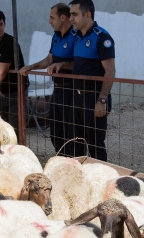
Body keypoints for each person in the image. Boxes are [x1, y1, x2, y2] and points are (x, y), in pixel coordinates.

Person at [49, 0, 115, 161]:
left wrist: (102, 100)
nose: (71, 19)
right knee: (74, 144)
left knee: (95, 145)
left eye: (74, 14)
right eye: (70, 14)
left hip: (93, 97)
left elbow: (110, 70)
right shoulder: (77, 37)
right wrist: (62, 64)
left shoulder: (102, 37)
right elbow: (79, 65)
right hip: (76, 98)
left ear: (87, 14)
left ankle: (100, 181)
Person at [19, 3, 76, 157]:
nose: (49, 22)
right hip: (57, 89)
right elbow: (49, 59)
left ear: (62, 18)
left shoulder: (76, 36)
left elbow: (81, 64)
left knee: (71, 133)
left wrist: (63, 64)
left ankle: (73, 163)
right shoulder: (56, 37)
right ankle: (62, 160)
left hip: (72, 90)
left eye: (52, 18)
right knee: (56, 132)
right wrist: (32, 66)